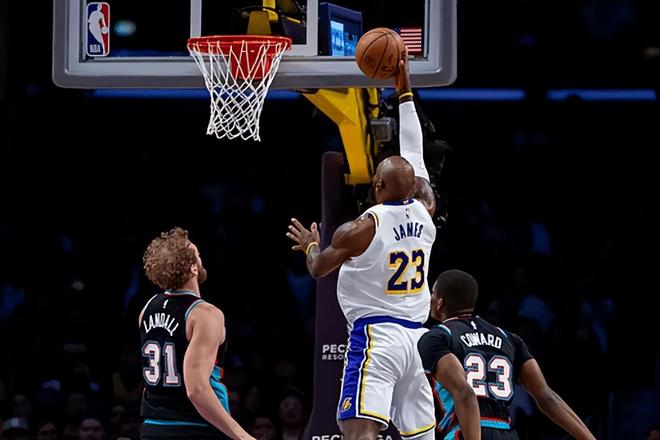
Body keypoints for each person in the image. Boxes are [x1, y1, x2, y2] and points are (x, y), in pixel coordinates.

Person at [287, 52, 446, 440]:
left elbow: (319, 268)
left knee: (357, 430)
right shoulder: (426, 208)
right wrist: (404, 90)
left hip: (378, 336)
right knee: (422, 436)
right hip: (417, 337)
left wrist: (310, 245)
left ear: (377, 186)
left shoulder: (363, 227)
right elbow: (414, 149)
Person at [418, 270, 597, 440]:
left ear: (440, 302)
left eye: (433, 293)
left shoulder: (438, 336)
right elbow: (546, 397)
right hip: (506, 432)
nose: (430, 298)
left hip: (466, 431)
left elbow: (465, 394)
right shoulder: (509, 338)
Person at [139, 227, 254, 440]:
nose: (201, 258)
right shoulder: (204, 314)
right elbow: (197, 389)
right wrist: (243, 436)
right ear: (193, 268)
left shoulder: (148, 308)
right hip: (194, 427)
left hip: (152, 426)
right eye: (198, 254)